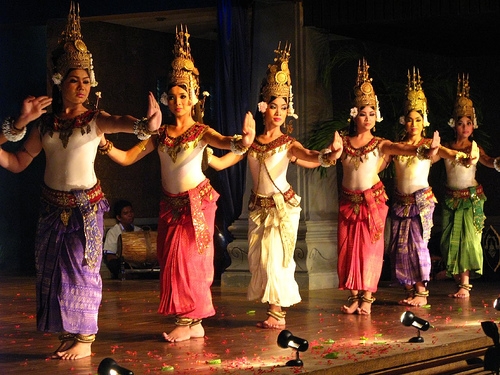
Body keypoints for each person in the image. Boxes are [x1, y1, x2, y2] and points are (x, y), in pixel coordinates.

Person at [0, 2, 161, 360]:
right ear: (59, 81)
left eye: (87, 80)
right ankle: (70, 333)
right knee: (52, 271)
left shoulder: (95, 120)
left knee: (81, 270)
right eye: (75, 79)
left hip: (84, 208)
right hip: (50, 207)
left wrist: (146, 125)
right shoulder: (43, 125)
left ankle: (86, 339)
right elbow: (17, 161)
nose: (82, 86)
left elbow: (125, 122)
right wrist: (19, 123)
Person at [98, 25, 255, 342]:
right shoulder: (159, 135)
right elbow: (128, 158)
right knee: (171, 261)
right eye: (173, 96)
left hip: (196, 204)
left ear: (194, 95)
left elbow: (225, 143)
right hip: (170, 205)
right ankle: (192, 321)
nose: (178, 101)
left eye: (183, 95)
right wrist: (103, 143)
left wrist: (243, 142)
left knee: (190, 260)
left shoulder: (200, 131)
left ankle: (187, 320)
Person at [191, 42, 342, 329]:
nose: (279, 112)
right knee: (259, 260)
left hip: (281, 208)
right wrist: (199, 151)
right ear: (264, 107)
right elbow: (222, 164)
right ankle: (273, 309)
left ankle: (278, 312)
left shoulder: (288, 144)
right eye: (274, 105)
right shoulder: (251, 143)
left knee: (276, 260)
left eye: (284, 107)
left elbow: (311, 157)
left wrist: (330, 154)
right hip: (258, 209)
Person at [336, 59, 441, 315]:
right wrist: (328, 155)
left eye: (372, 113)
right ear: (354, 114)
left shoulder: (381, 143)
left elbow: (403, 148)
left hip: (375, 201)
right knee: (348, 248)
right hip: (349, 201)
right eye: (363, 113)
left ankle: (368, 299)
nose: (368, 118)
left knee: (371, 249)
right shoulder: (344, 141)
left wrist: (426, 148)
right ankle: (354, 296)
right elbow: (327, 158)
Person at [389, 68, 474, 307]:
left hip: (420, 201)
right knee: (399, 247)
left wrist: (463, 157)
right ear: (404, 121)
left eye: (418, 119)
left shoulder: (428, 145)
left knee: (417, 246)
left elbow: (448, 153)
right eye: (410, 119)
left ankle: (421, 290)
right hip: (399, 202)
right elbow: (380, 162)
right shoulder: (397, 146)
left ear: (424, 120)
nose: (414, 124)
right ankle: (410, 287)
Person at [440, 73, 499, 298]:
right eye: (461, 123)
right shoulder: (446, 147)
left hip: (471, 199)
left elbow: (486, 161)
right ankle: (457, 279)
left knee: (468, 241)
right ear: (454, 125)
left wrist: (496, 162)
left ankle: (465, 284)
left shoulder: (475, 147)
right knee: (448, 242)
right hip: (449, 199)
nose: (465, 127)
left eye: (469, 123)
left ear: (473, 126)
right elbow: (430, 158)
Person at [103, 199, 142, 278]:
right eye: (125, 213)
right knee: (115, 264)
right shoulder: (113, 232)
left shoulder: (139, 231)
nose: (130, 215)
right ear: (119, 217)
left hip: (137, 264)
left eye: (131, 212)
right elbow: (110, 256)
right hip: (123, 264)